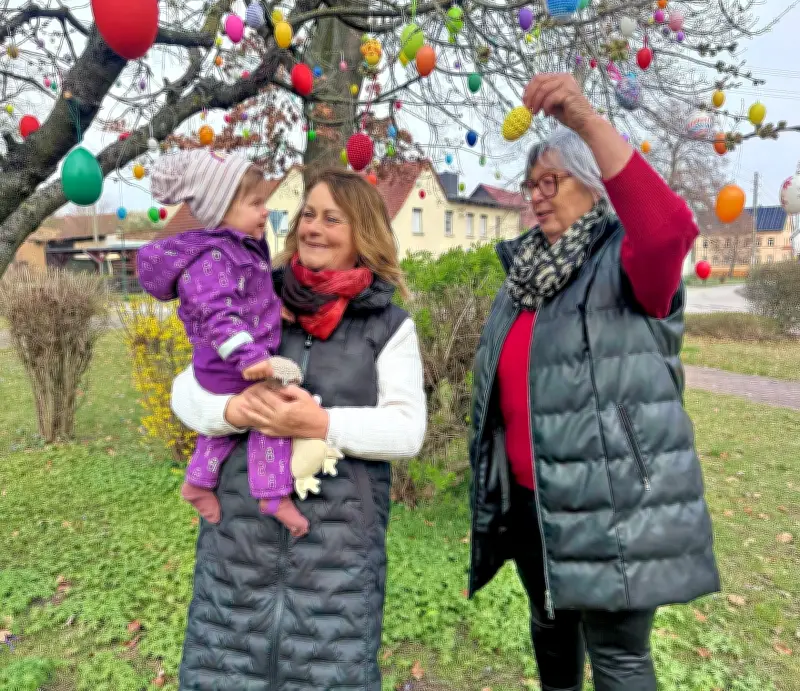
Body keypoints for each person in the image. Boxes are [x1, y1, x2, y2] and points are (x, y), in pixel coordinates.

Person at [468, 73, 720, 691]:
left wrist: (582, 118)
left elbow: (667, 228)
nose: (536, 197)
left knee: (618, 659)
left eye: (551, 181)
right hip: (534, 504)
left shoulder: (627, 262)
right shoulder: (522, 276)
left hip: (615, 505)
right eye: (532, 185)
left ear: (594, 183)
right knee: (552, 642)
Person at [169, 167, 426, 690]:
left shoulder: (388, 326)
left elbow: (407, 431)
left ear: (362, 234)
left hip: (336, 564)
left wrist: (321, 422)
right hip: (237, 552)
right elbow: (185, 391)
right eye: (308, 214)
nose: (314, 227)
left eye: (333, 219)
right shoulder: (252, 294)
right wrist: (231, 412)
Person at [137, 150, 313, 536]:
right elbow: (217, 313)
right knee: (272, 412)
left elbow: (248, 297)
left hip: (229, 358)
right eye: (255, 203)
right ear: (222, 209)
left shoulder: (237, 248)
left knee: (232, 423)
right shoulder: (214, 257)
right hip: (230, 359)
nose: (265, 211)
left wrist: (274, 310)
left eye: (264, 202)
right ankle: (272, 494)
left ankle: (198, 483)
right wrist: (250, 357)